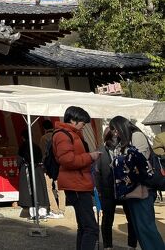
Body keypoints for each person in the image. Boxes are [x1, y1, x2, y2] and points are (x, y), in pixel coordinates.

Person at [109, 115, 165, 250]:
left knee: (146, 227)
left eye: (115, 130)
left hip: (143, 188)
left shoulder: (136, 136)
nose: (115, 134)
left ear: (121, 126)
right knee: (140, 228)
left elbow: (139, 159)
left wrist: (119, 161)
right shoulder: (124, 141)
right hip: (132, 189)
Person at [53, 106, 101, 250]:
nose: (83, 126)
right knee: (91, 228)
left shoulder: (71, 134)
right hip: (76, 184)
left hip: (78, 183)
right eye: (82, 123)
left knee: (84, 226)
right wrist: (90, 157)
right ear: (73, 120)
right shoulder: (63, 135)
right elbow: (67, 160)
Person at [94, 127, 137, 250]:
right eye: (110, 134)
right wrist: (99, 191)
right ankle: (108, 246)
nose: (114, 136)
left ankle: (131, 245)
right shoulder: (101, 150)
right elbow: (97, 173)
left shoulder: (126, 149)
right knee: (107, 219)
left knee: (131, 218)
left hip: (125, 189)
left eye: (115, 134)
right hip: (108, 190)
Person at [17, 129, 50, 220]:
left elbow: (19, 160)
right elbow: (41, 157)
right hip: (38, 170)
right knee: (40, 190)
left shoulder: (23, 147)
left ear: (23, 137)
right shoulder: (36, 146)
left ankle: (33, 214)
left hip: (28, 169)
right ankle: (43, 212)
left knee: (30, 191)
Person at [40, 119, 66, 218]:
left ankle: (54, 209)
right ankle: (62, 210)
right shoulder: (58, 137)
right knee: (60, 188)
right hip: (59, 165)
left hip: (48, 167)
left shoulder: (43, 138)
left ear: (44, 128)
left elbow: (43, 153)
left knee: (48, 188)